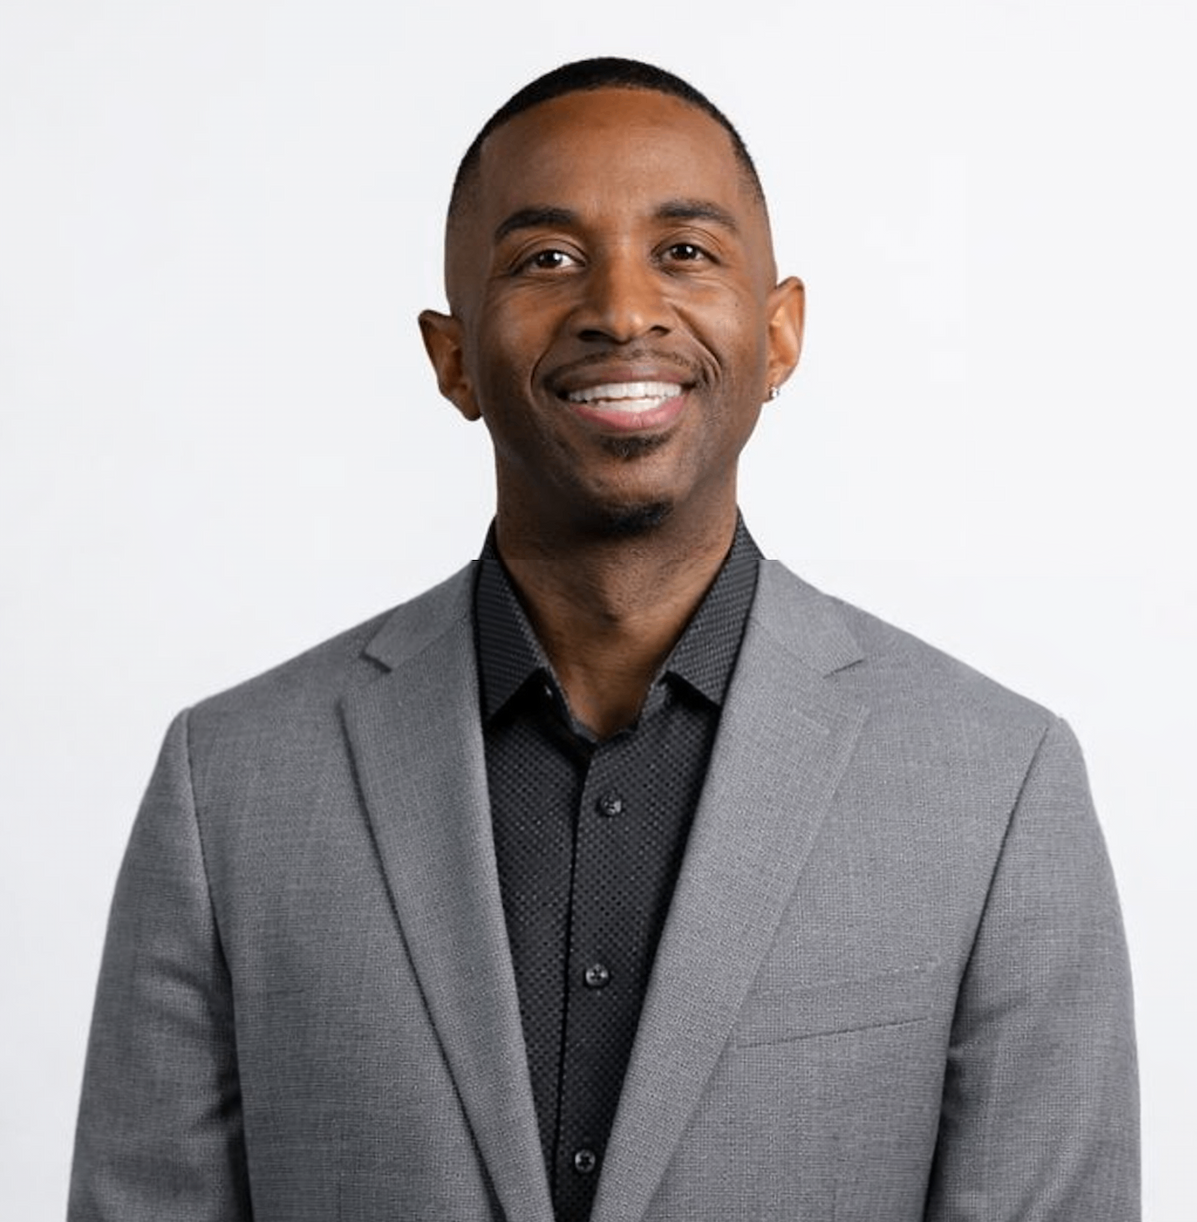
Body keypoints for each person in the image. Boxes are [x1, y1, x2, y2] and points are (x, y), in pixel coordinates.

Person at [68, 57, 1138, 1222]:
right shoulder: (228, 786)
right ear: (453, 356)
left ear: (779, 334)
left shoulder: (996, 786)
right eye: (547, 260)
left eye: (684, 250)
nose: (623, 309)